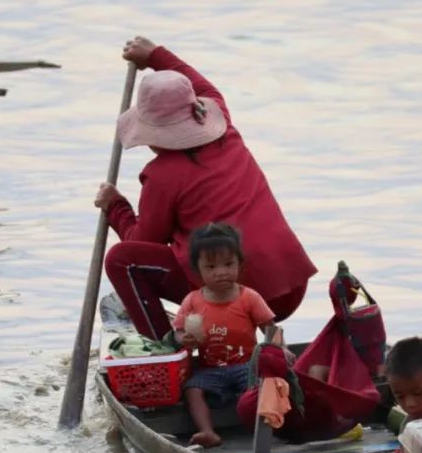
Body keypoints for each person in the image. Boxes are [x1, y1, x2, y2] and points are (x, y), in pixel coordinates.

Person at [94, 36, 317, 340]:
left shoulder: (161, 176)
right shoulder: (225, 125)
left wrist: (115, 206)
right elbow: (205, 87)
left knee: (122, 260)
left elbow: (143, 241)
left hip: (238, 291)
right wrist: (156, 55)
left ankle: (167, 349)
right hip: (289, 288)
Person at [173, 223, 277, 447]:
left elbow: (270, 328)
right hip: (210, 368)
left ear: (239, 263)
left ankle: (265, 427)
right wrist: (185, 340)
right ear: (198, 270)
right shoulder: (193, 300)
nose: (221, 272)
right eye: (211, 267)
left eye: (228, 264)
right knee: (192, 389)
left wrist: (280, 350)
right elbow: (179, 333)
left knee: (262, 387)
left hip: (246, 364)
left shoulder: (248, 297)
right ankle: (207, 431)